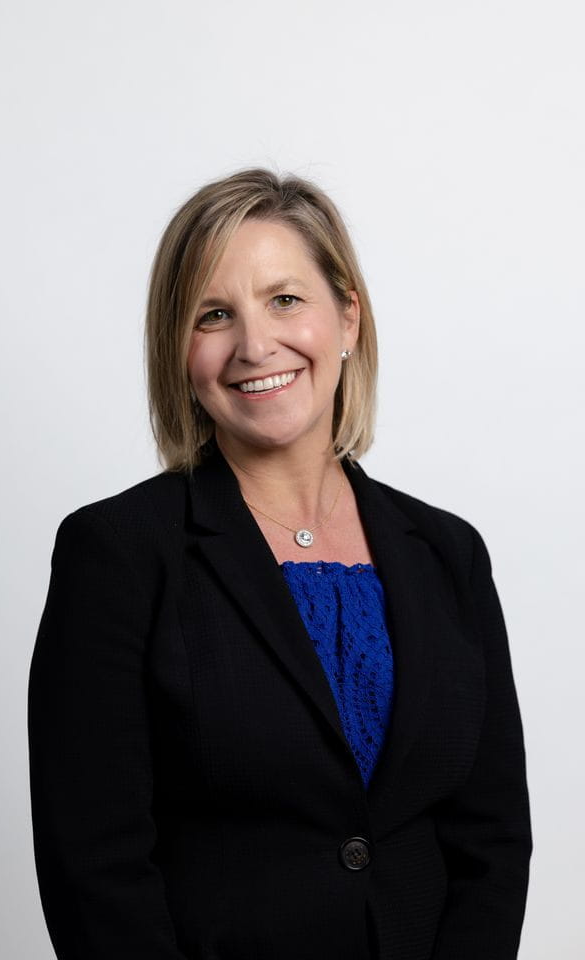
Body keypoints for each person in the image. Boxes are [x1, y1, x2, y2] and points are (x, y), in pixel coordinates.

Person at [27, 167, 532, 960]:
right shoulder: (118, 553)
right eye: (214, 314)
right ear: (179, 350)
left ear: (348, 318)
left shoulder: (448, 554)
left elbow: (493, 840)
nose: (255, 345)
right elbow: (94, 871)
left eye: (285, 299)